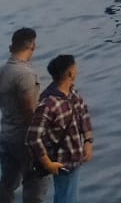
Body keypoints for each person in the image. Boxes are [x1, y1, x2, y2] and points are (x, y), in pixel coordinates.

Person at [25, 55, 90, 203]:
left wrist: (88, 140)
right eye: (75, 68)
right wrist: (48, 163)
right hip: (61, 161)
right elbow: (32, 137)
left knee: (69, 196)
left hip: (75, 155)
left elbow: (84, 113)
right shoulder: (48, 103)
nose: (77, 70)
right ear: (70, 73)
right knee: (66, 198)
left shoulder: (72, 92)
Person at [0, 28, 45, 203]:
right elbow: (29, 112)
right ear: (32, 46)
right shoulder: (25, 75)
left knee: (7, 183)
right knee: (35, 183)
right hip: (23, 138)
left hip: (6, 135)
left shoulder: (3, 71)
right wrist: (40, 141)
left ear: (12, 46)